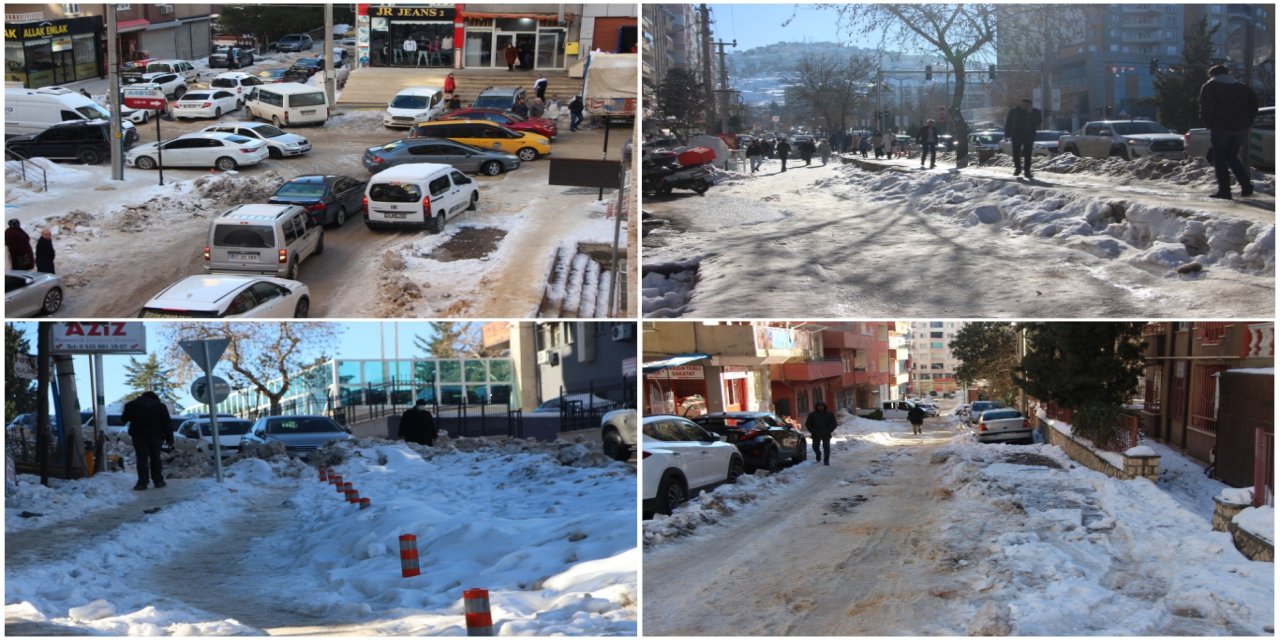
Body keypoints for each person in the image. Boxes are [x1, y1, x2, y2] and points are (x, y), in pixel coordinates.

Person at [1199, 64, 1259, 200]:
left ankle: (1224, 190)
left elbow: (1206, 108)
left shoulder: (1210, 87)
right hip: (1241, 128)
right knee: (1232, 156)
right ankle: (1246, 185)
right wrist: (1247, 121)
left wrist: (1209, 123)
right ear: (1227, 73)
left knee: (1219, 158)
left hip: (1220, 127)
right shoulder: (1243, 87)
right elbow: (1254, 104)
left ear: (1212, 74)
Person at [122, 391, 173, 490]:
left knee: (141, 459)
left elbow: (124, 419)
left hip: (139, 436)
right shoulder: (160, 406)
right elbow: (167, 423)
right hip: (156, 436)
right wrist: (169, 438)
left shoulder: (131, 405)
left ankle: (142, 483)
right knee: (155, 458)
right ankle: (158, 480)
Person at [1004, 98, 1042, 179]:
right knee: (1016, 152)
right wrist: (1007, 134)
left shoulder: (1035, 112)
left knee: (1028, 153)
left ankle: (1027, 172)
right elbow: (1008, 122)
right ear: (1021, 103)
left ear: (1030, 105)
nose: (1025, 106)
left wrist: (1030, 114)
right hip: (1016, 134)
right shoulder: (1014, 111)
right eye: (1023, 104)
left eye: (1027, 104)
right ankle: (1018, 168)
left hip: (1029, 135)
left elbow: (1039, 122)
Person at [805, 401, 837, 466]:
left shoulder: (829, 414)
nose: (820, 407)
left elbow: (834, 424)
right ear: (816, 407)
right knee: (815, 447)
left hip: (826, 434)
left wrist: (829, 430)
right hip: (816, 433)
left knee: (826, 448)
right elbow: (808, 424)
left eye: (822, 406)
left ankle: (826, 461)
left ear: (824, 407)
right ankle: (818, 454)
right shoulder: (812, 415)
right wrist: (812, 431)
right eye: (819, 406)